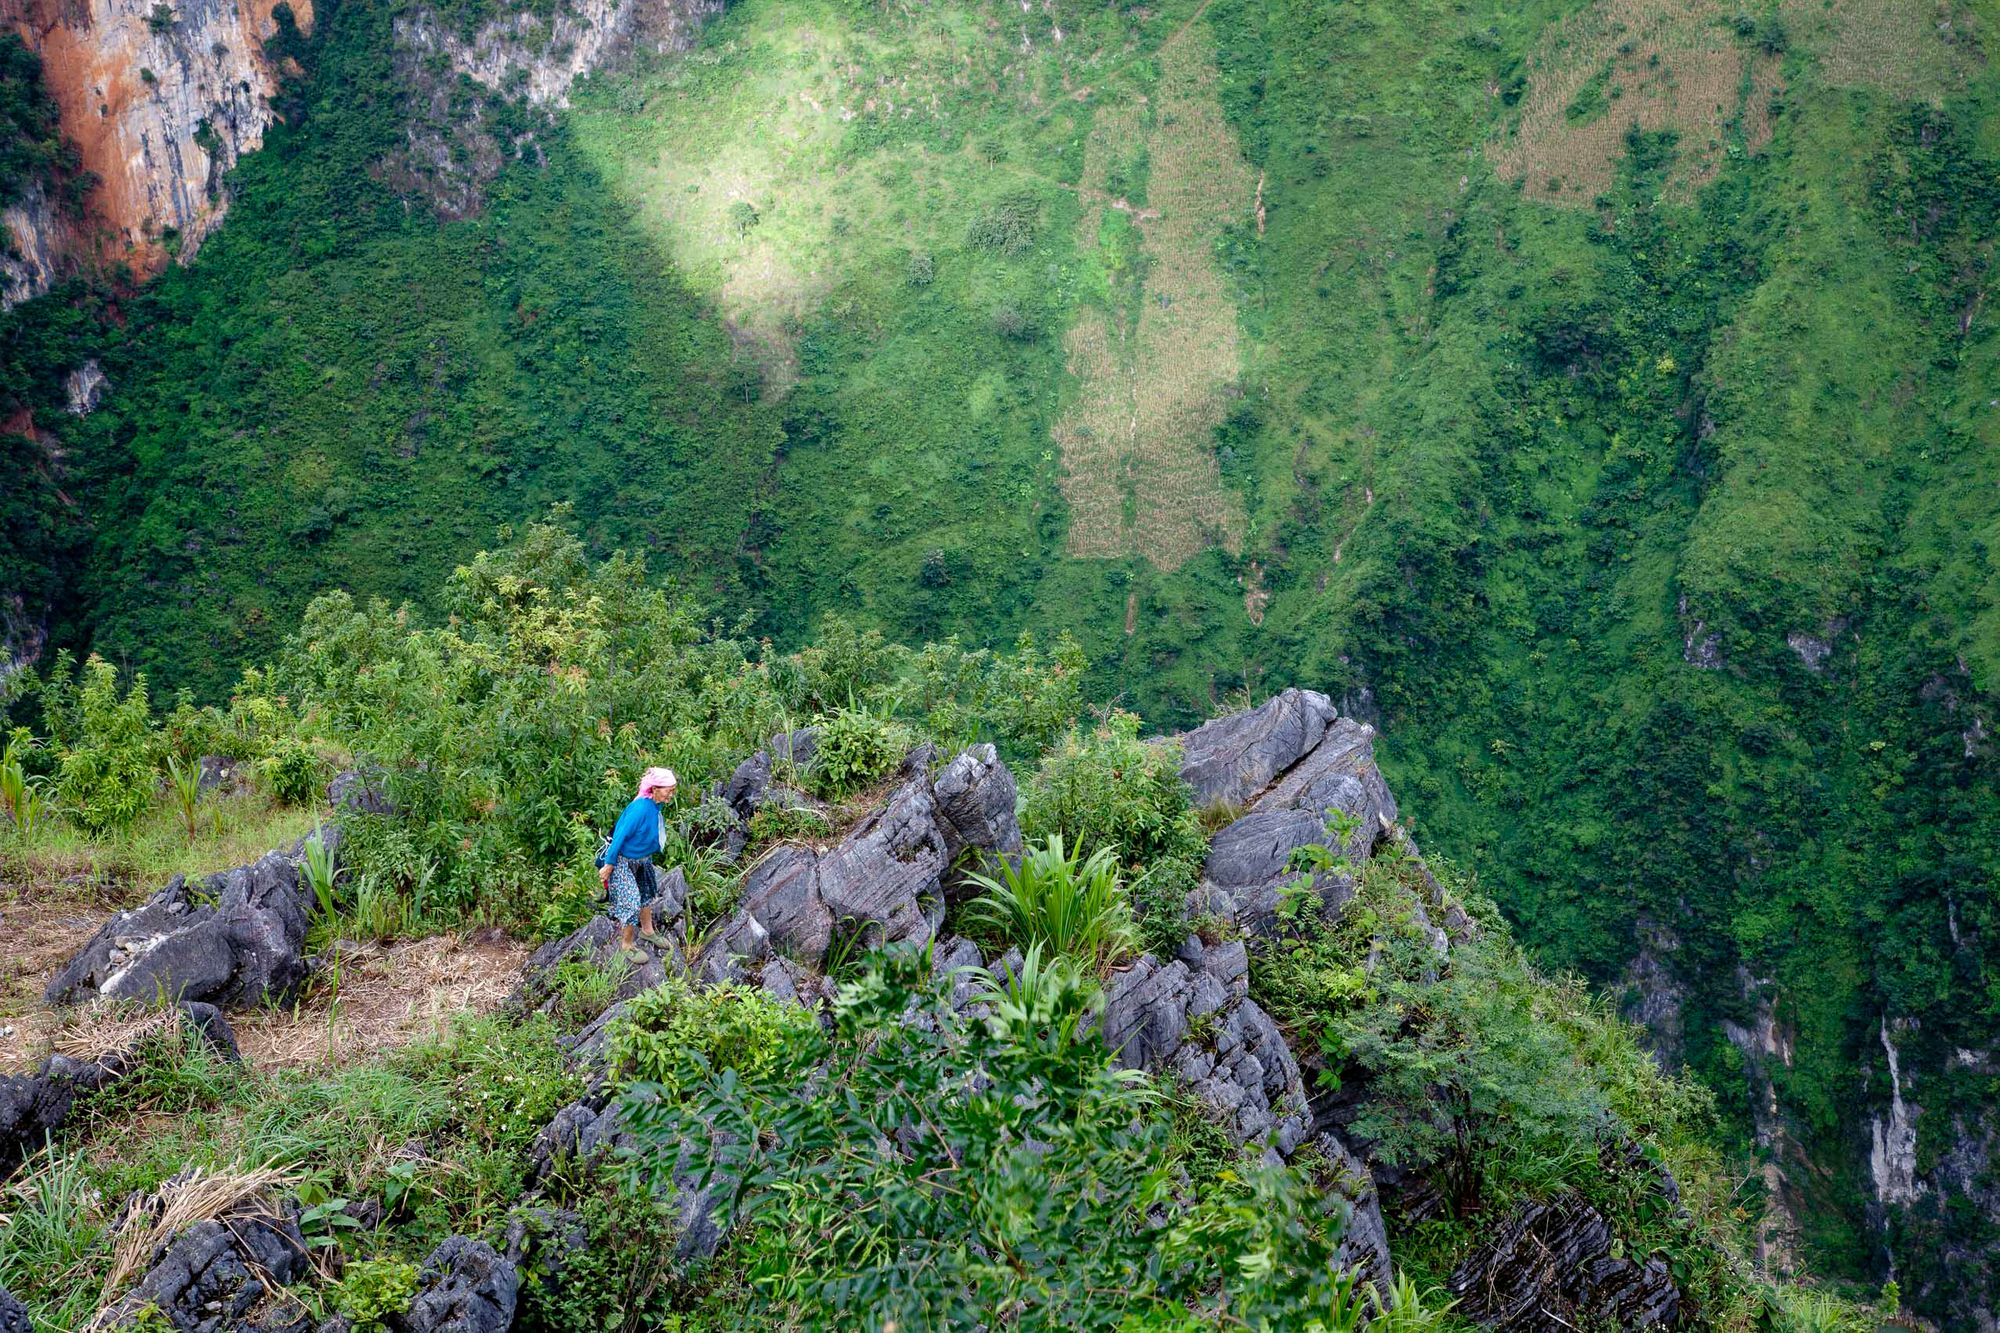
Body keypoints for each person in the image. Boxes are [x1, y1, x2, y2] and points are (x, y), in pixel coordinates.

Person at [598, 766, 676, 951]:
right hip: (623, 861)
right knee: (631, 902)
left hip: (643, 860)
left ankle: (647, 932)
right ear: (655, 789)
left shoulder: (657, 803)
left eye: (673, 790)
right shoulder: (640, 808)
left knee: (646, 895)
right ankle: (626, 944)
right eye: (669, 790)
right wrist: (609, 865)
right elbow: (619, 836)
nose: (671, 795)